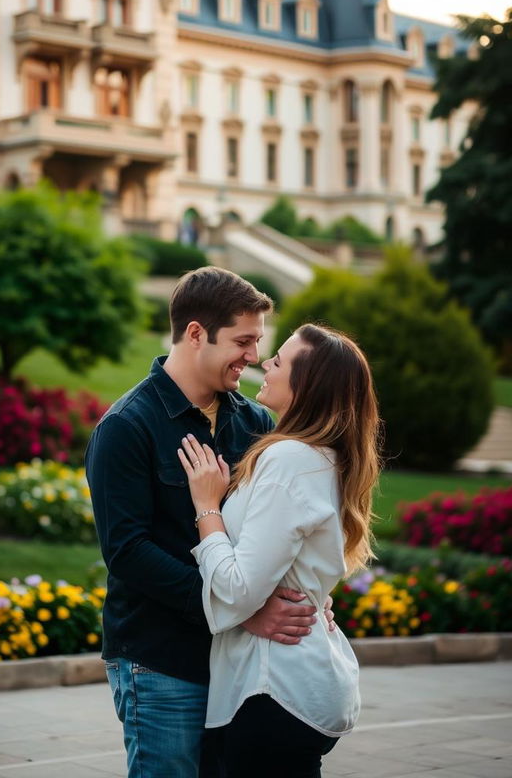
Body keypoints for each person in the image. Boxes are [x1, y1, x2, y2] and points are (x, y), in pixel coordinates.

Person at [86, 268, 332, 778]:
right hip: (161, 661)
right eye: (242, 341)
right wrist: (238, 611)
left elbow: (276, 529)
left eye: (259, 343)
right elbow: (127, 552)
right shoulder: (126, 427)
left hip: (236, 667)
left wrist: (313, 593)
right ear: (196, 334)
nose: (254, 357)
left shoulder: (255, 422)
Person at [178, 323, 381, 778]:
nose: (264, 362)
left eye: (280, 360)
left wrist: (207, 507)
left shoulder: (289, 459)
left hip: (272, 692)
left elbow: (237, 591)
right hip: (291, 688)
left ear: (306, 385)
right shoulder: (321, 457)